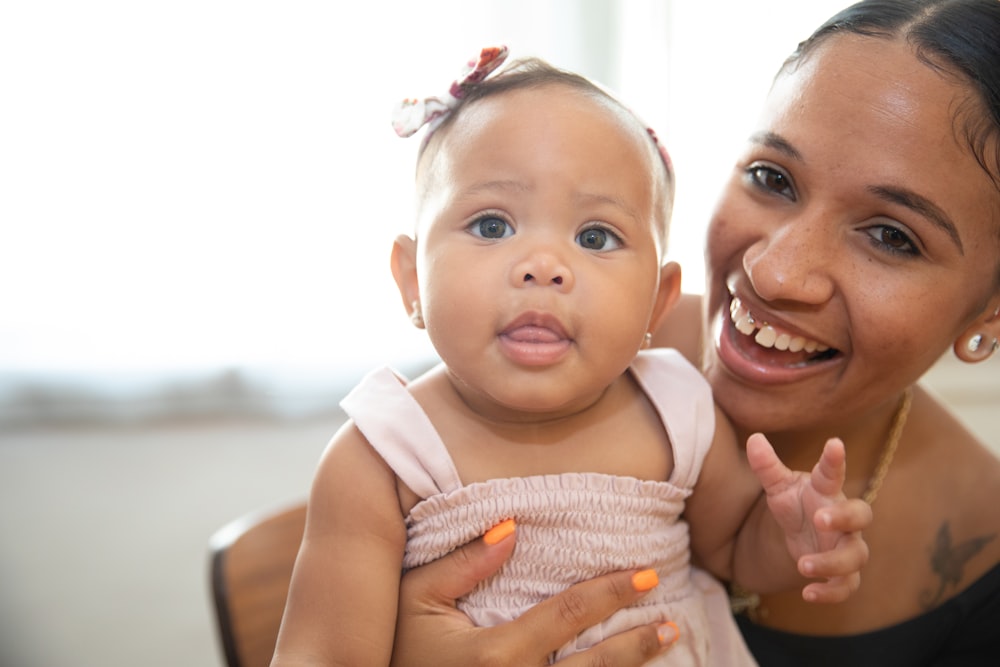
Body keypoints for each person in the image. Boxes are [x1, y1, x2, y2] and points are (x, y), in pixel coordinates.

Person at [386, 0, 1000, 665]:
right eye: (773, 178)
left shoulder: (980, 575)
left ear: (990, 312)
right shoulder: (562, 348)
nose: (775, 271)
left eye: (892, 236)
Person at [269, 48, 873, 666]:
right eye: (491, 225)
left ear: (656, 304)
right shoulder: (383, 457)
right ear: (411, 280)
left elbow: (735, 551)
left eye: (594, 237)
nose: (543, 266)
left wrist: (791, 538)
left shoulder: (677, 408)